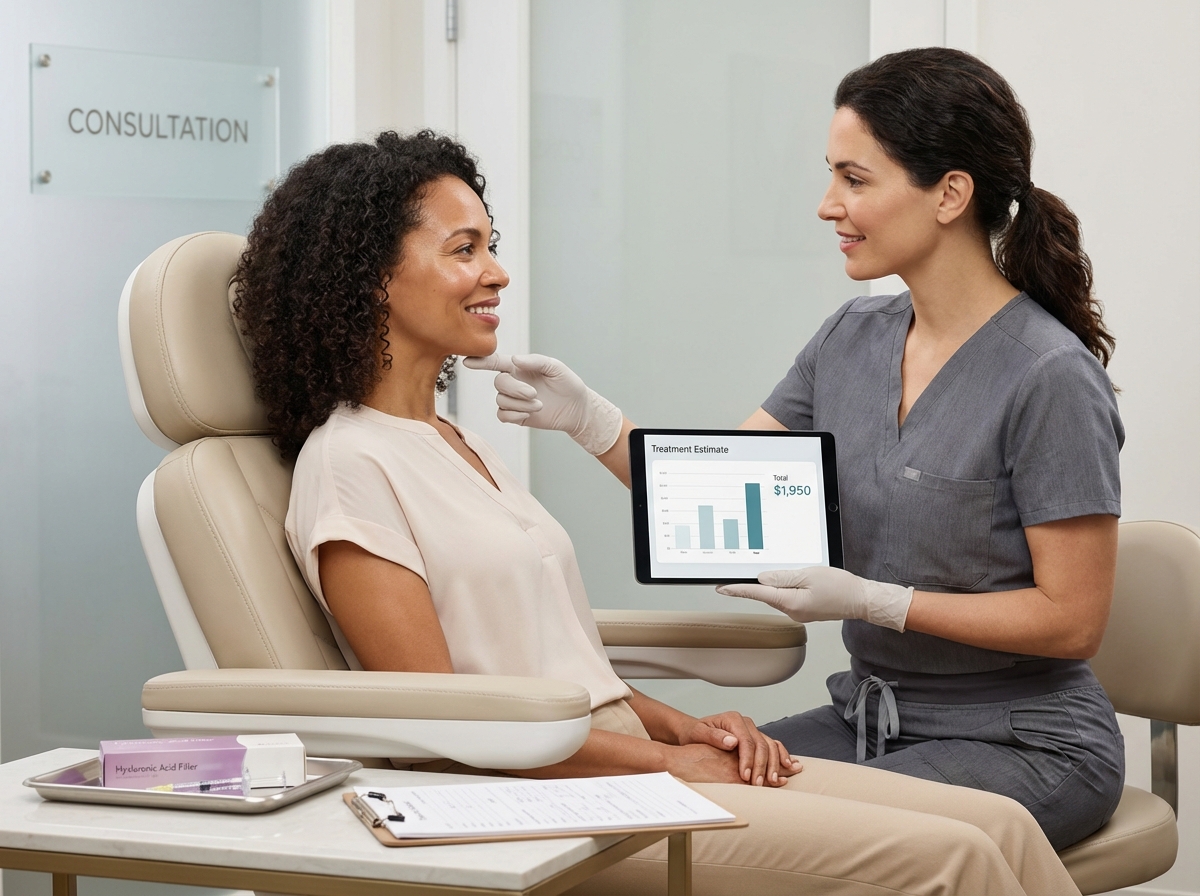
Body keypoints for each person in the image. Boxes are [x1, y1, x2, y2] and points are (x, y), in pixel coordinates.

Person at [233, 128, 1082, 895]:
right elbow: (445, 719)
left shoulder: (458, 444)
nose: (497, 272)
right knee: (956, 855)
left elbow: (562, 664)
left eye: (492, 246)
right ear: (370, 279)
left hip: (604, 756)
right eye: (466, 249)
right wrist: (662, 758)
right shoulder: (350, 461)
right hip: (538, 789)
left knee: (995, 824)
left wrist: (688, 729)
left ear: (951, 194)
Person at [469, 47, 1125, 853]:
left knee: (757, 827)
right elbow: (705, 493)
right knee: (685, 785)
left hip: (1025, 744)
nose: (826, 205)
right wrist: (590, 420)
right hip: (868, 720)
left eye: (855, 179)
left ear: (951, 192)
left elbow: (1072, 622)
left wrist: (871, 600)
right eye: (831, 176)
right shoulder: (851, 339)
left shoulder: (1048, 376)